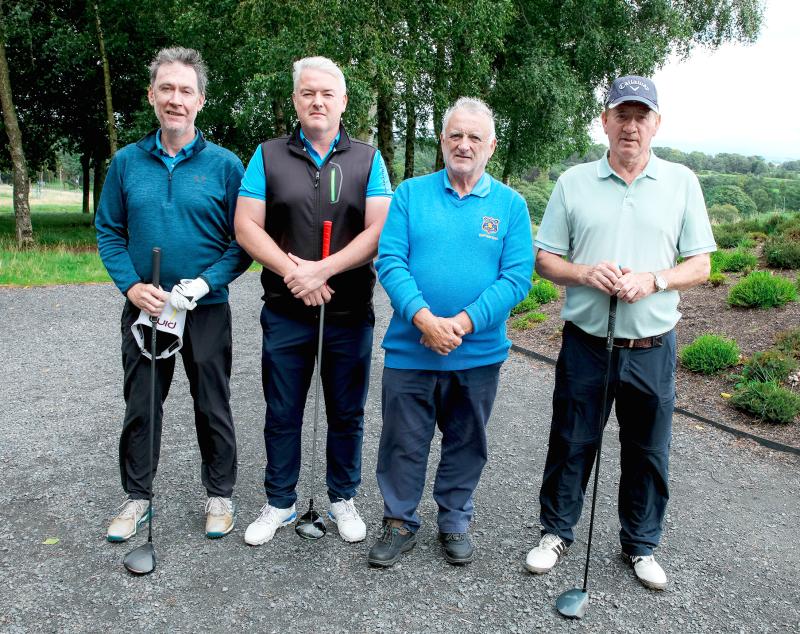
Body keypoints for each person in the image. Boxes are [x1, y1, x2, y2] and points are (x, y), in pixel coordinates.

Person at [525, 75, 715, 589]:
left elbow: (700, 265)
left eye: (641, 116)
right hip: (587, 343)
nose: (631, 126)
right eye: (621, 115)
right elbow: (545, 260)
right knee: (570, 440)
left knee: (648, 450)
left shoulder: (682, 182)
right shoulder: (573, 182)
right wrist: (585, 272)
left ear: (656, 123)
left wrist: (654, 278)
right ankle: (556, 532)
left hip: (651, 346)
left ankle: (641, 544)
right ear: (605, 121)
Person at [367, 97, 534, 567]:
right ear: (442, 141)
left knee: (466, 441)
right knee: (403, 439)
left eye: (474, 137)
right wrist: (424, 319)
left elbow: (517, 277)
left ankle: (455, 519)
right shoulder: (410, 195)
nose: (464, 145)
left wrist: (459, 324)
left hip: (477, 353)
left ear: (491, 146)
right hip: (410, 349)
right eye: (455, 135)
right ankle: (399, 521)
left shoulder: (510, 205)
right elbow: (391, 261)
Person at [234, 56, 393, 546]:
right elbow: (246, 226)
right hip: (286, 310)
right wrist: (295, 272)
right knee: (282, 409)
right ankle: (280, 501)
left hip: (347, 312)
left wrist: (324, 269)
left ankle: (342, 496)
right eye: (307, 93)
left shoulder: (368, 158)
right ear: (296, 100)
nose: (317, 101)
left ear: (343, 101)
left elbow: (379, 229)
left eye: (327, 93)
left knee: (346, 411)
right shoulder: (267, 155)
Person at [96, 47, 250, 542]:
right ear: (151, 96)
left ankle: (220, 495)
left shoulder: (226, 166)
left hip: (203, 310)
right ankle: (138, 498)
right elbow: (109, 232)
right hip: (147, 307)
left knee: (212, 403)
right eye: (167, 89)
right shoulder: (125, 163)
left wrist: (206, 283)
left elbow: (242, 241)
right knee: (142, 404)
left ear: (200, 100)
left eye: (185, 90)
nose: (175, 99)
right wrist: (132, 285)